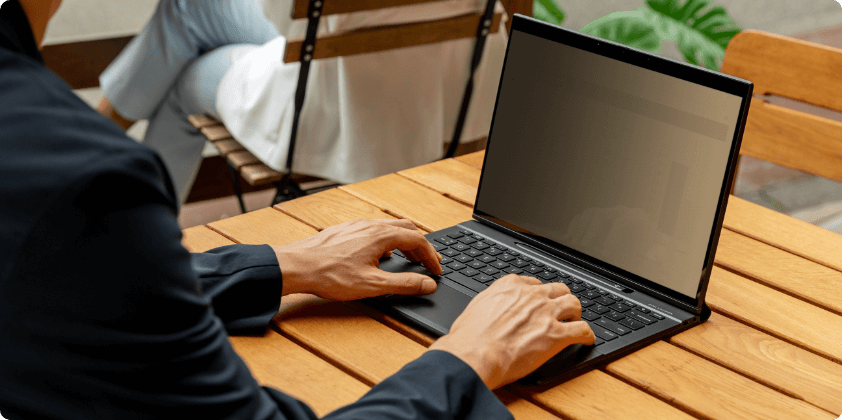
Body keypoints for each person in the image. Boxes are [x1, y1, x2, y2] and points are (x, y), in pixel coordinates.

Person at [0, 0, 594, 419]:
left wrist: (281, 264)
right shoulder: (85, 182)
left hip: (317, 104)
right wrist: (472, 356)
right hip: (437, 106)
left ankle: (116, 119)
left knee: (189, 16)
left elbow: (70, 288)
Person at [98, 0, 508, 204]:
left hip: (321, 117)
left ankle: (113, 185)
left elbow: (283, 17)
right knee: (189, 7)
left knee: (184, 76)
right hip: (445, 112)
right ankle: (98, 146)